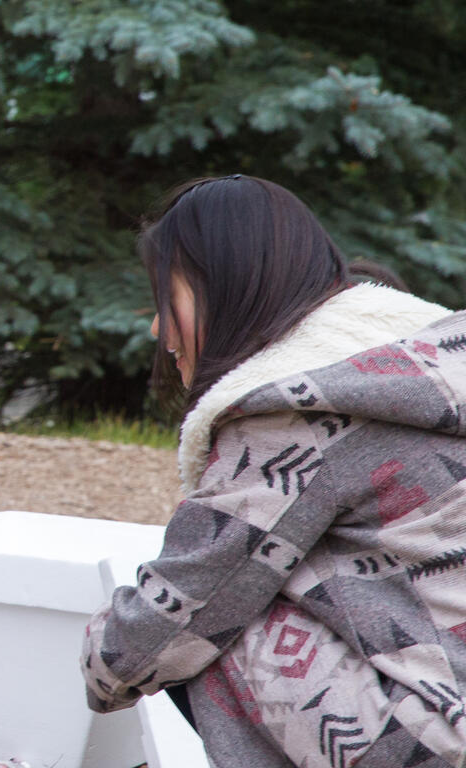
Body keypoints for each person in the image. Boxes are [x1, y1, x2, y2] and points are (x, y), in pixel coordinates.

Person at [82, 175, 466, 767]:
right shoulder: (426, 365)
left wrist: (97, 652)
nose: (158, 329)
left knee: (212, 616)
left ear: (225, 289)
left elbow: (155, 633)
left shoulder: (296, 416)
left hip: (436, 737)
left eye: (166, 296)